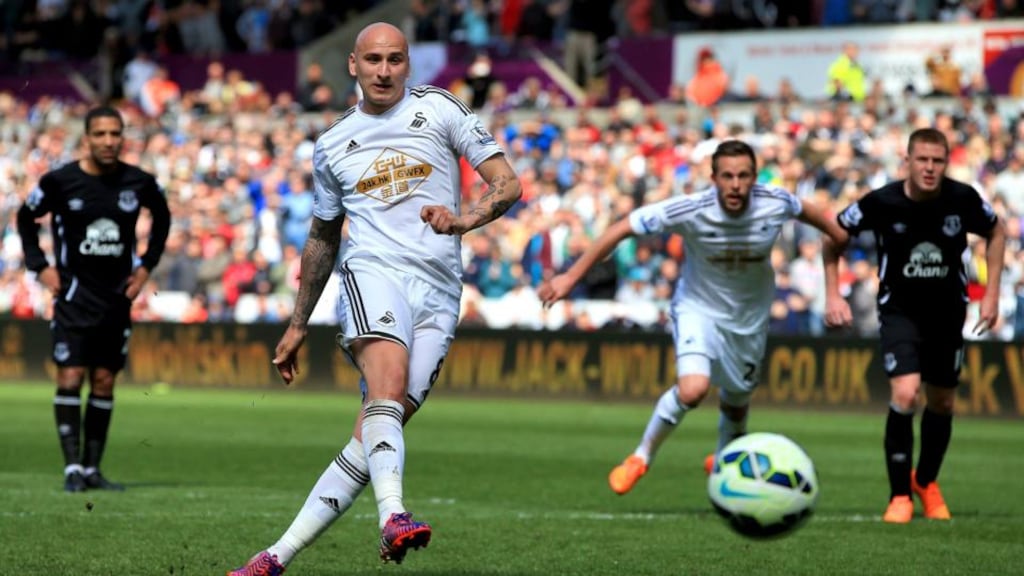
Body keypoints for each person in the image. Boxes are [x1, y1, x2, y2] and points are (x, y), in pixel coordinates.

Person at [228, 22, 522, 576]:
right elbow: (322, 237)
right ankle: (394, 515)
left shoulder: (441, 109)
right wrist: (298, 321)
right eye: (373, 60)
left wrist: (463, 219)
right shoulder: (333, 144)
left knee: (374, 433)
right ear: (353, 66)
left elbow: (507, 184)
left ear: (408, 64)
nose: (384, 71)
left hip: (439, 287)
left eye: (394, 60)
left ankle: (273, 558)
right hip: (371, 272)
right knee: (386, 386)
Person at [537, 139, 847, 497]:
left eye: (744, 176)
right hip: (698, 308)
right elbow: (623, 227)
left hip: (749, 318)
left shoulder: (776, 202)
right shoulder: (690, 208)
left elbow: (835, 234)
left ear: (754, 178)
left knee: (735, 405)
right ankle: (641, 457)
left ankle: (723, 463)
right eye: (727, 176)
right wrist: (570, 277)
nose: (735, 184)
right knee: (694, 388)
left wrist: (834, 292)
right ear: (713, 178)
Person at [822, 128, 1004, 524]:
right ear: (907, 160)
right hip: (900, 313)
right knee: (906, 395)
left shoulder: (962, 198)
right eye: (922, 159)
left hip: (948, 314)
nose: (929, 168)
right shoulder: (882, 201)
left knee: (942, 403)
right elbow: (834, 235)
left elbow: (996, 230)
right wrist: (833, 294)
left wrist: (991, 295)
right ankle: (899, 494)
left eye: (937, 161)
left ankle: (926, 481)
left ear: (946, 163)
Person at [16, 105, 171, 493]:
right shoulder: (59, 181)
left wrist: (145, 267)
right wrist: (40, 266)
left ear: (123, 137)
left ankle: (91, 469)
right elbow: (24, 218)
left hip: (117, 299)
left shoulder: (139, 182)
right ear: (86, 138)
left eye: (114, 134)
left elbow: (163, 218)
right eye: (100, 134)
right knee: (70, 375)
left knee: (104, 381)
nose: (108, 141)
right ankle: (71, 467)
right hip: (72, 297)